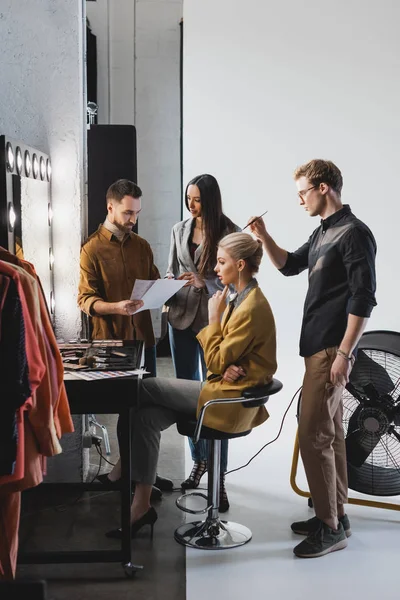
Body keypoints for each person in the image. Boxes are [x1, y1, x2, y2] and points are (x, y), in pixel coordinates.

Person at [104, 232, 277, 539]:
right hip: (221, 389)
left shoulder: (250, 307)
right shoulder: (239, 297)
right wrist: (228, 360)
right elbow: (223, 360)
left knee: (140, 387)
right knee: (145, 419)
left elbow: (214, 361)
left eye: (221, 262)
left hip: (227, 401)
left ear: (239, 265)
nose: (215, 269)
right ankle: (140, 507)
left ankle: (120, 471)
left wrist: (213, 321)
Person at [248, 159, 377, 558]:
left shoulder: (354, 234)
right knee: (332, 435)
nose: (300, 199)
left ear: (323, 188)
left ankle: (328, 527)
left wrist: (344, 354)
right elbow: (289, 266)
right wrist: (264, 235)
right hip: (316, 349)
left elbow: (363, 298)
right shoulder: (324, 231)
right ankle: (337, 513)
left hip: (329, 351)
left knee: (313, 437)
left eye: (303, 191)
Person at [77, 178, 173, 493]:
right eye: (129, 213)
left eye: (137, 213)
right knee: (126, 411)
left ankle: (140, 475)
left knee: (147, 412)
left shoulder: (142, 247)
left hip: (144, 340)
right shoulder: (91, 249)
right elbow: (85, 300)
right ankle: (131, 477)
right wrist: (118, 307)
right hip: (113, 345)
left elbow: (155, 284)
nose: (134, 220)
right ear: (111, 207)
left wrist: (172, 284)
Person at [166, 174, 239, 511]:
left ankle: (219, 478)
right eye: (188, 198)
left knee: (217, 397)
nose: (191, 205)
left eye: (196, 199)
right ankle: (200, 460)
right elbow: (170, 270)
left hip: (214, 323)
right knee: (187, 396)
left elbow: (236, 288)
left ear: (209, 200)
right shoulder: (179, 230)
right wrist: (172, 282)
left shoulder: (230, 233)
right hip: (180, 319)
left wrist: (203, 282)